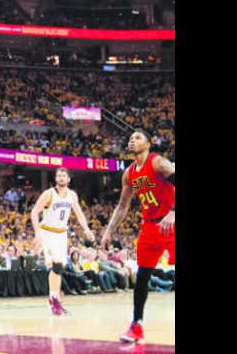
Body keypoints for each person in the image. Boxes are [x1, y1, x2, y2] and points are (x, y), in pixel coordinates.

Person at [101, 130, 175, 343]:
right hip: (150, 227)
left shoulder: (158, 163)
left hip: (172, 221)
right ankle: (136, 325)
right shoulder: (129, 173)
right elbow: (122, 206)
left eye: (138, 138)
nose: (132, 140)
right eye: (131, 138)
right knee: (142, 278)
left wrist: (173, 212)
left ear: (148, 144)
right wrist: (108, 231)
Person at [31, 167, 95, 316]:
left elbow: (79, 214)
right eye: (58, 175)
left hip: (61, 234)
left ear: (68, 179)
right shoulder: (49, 194)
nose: (61, 177)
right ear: (55, 179)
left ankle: (54, 298)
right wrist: (36, 233)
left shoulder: (72, 195)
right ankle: (54, 299)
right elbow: (34, 211)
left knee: (59, 268)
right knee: (57, 265)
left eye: (63, 175)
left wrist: (86, 229)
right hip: (47, 232)